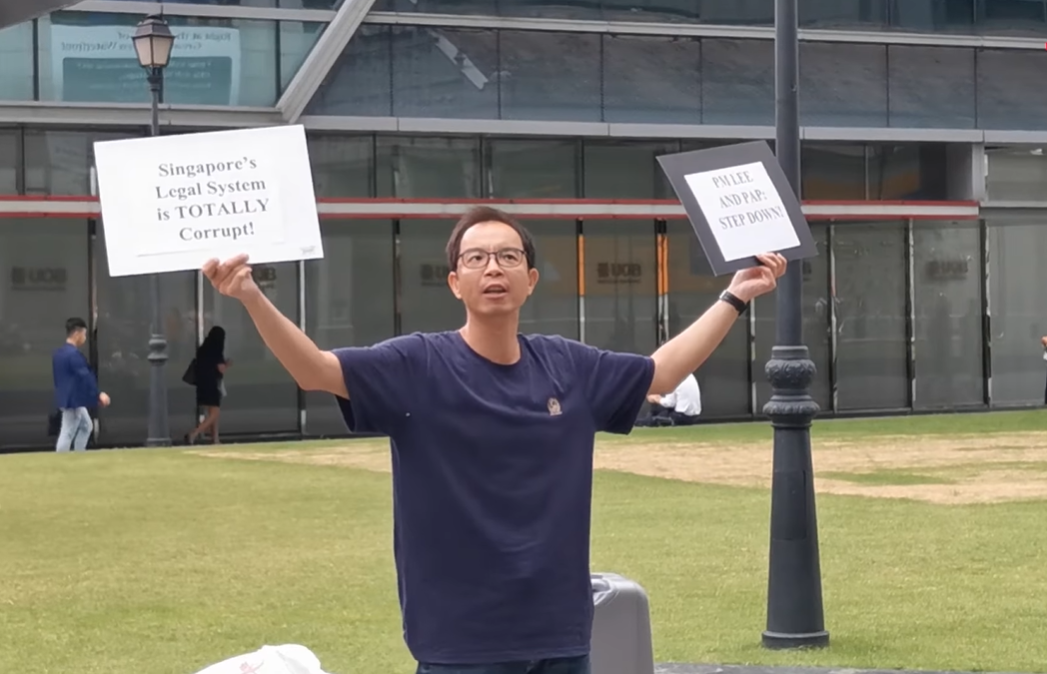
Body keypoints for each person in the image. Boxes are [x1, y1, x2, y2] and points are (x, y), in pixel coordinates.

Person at [202, 206, 786, 674]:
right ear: (456, 281)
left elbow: (660, 373)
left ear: (530, 280)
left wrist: (733, 297)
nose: (493, 269)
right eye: (477, 258)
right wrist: (251, 295)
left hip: (560, 634)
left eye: (508, 257)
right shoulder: (417, 364)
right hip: (461, 642)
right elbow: (316, 370)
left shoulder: (566, 366)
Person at [52, 317, 110, 452]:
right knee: (68, 430)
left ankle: (79, 454)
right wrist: (98, 394)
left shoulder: (59, 354)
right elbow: (85, 376)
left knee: (86, 426)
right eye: (84, 334)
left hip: (66, 397)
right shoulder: (74, 355)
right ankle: (63, 459)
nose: (84, 337)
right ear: (77, 334)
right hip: (73, 399)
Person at [185, 326, 230, 445]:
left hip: (202, 384)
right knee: (215, 413)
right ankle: (194, 433)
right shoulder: (217, 350)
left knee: (212, 413)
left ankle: (215, 439)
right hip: (212, 384)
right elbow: (221, 369)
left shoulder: (202, 349)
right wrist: (228, 364)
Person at [635, 371, 702, 427]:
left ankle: (641, 422)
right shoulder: (688, 375)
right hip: (695, 416)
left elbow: (669, 403)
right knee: (660, 410)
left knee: (652, 417)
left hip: (681, 416)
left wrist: (655, 399)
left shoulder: (674, 378)